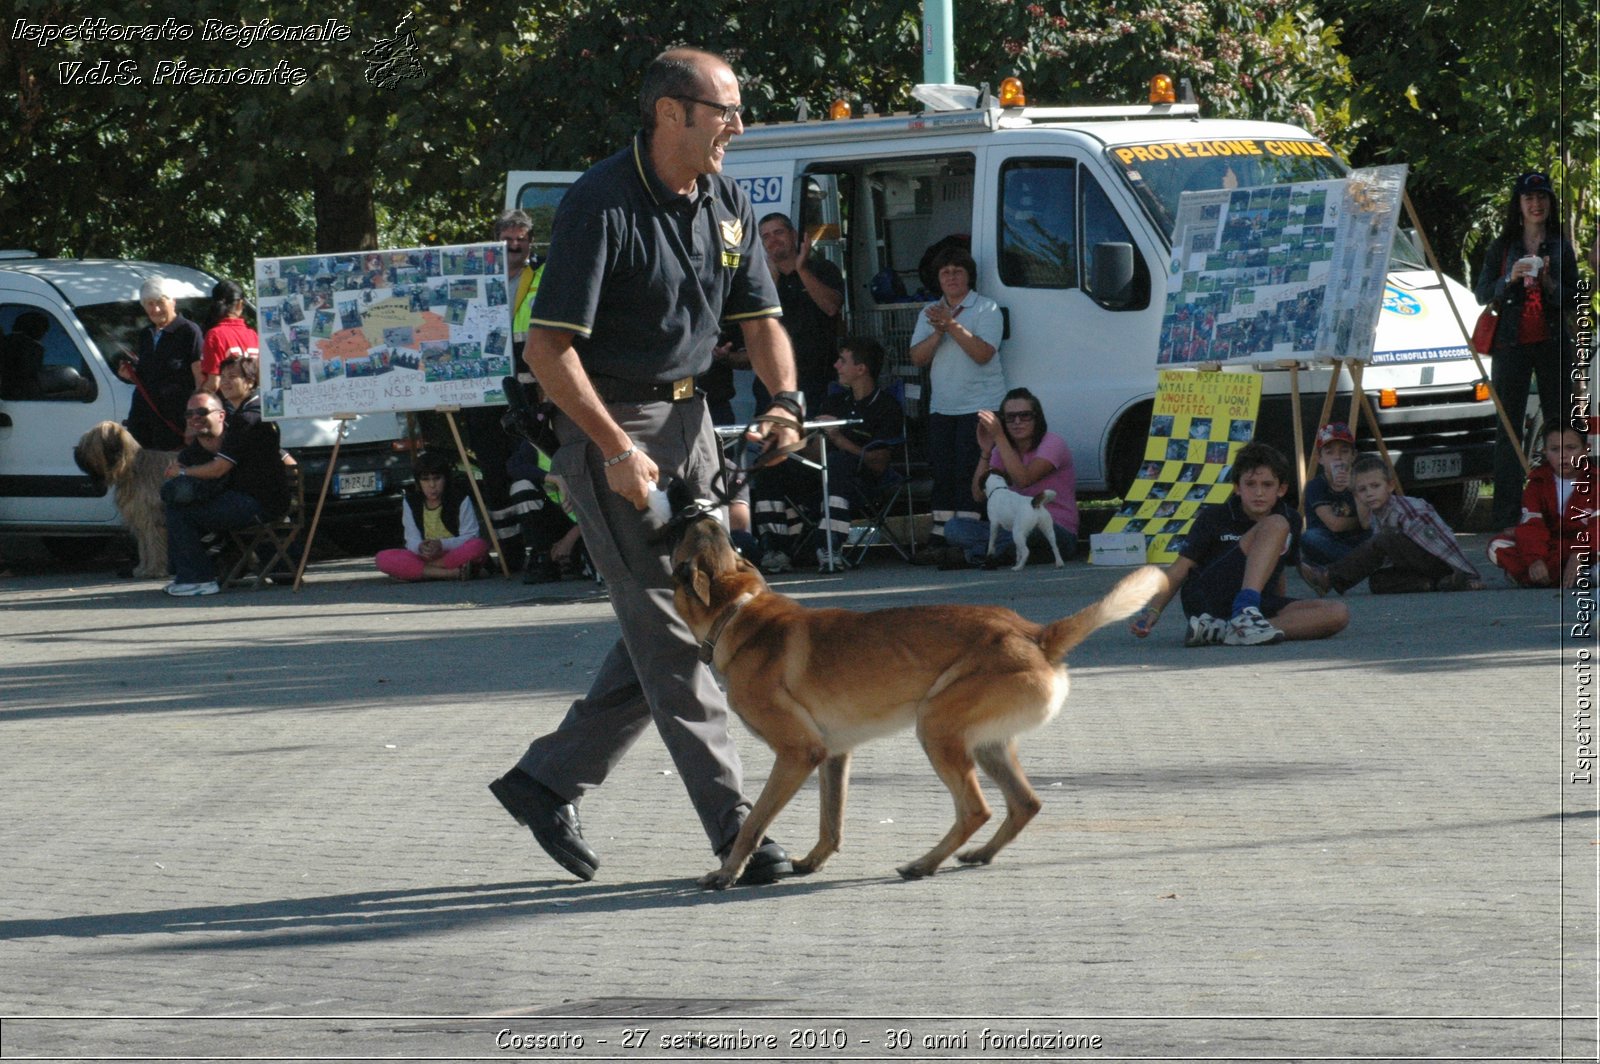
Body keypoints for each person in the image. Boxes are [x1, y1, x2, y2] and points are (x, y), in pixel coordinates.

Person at [488, 47, 804, 887]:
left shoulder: (727, 199)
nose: (737, 127)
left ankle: (545, 780)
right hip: (614, 422)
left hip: (695, 417)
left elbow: (762, 317)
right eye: (724, 111)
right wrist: (617, 451)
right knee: (672, 634)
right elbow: (548, 349)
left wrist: (785, 402)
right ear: (672, 113)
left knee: (690, 619)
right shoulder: (599, 203)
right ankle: (738, 831)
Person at [1130, 441, 1348, 646]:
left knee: (1338, 613)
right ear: (1237, 488)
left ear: (1281, 489)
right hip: (1210, 598)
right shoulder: (1215, 516)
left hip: (1255, 603)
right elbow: (1179, 570)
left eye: (1267, 485)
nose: (1259, 492)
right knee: (1275, 524)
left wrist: (1279, 607)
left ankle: (1228, 630)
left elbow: (1278, 571)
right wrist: (1153, 610)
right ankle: (1245, 613)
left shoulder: (1291, 517)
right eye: (1250, 484)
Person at [1474, 171, 1580, 528]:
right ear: (1518, 205)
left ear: (1550, 203)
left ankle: (1562, 511)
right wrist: (1510, 280)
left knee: (1561, 429)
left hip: (1551, 343)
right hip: (1510, 344)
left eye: (1542, 198)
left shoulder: (1560, 245)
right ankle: (1506, 515)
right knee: (1509, 428)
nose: (1537, 205)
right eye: (1529, 199)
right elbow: (1482, 292)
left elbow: (1574, 298)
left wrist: (1549, 281)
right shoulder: (1503, 246)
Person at [752, 336, 904, 573]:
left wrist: (838, 438)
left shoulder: (886, 406)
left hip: (860, 483)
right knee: (771, 464)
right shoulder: (834, 402)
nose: (836, 366)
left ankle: (829, 546)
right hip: (821, 477)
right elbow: (815, 455)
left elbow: (878, 463)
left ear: (861, 368)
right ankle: (776, 549)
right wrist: (794, 441)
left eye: (842, 361)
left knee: (838, 462)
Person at [907, 244, 1004, 549]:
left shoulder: (987, 308)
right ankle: (941, 536)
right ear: (938, 279)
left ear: (969, 277)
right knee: (943, 472)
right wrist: (937, 332)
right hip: (942, 407)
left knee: (969, 471)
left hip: (980, 405)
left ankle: (968, 536)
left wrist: (951, 325)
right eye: (945, 272)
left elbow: (983, 354)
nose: (951, 277)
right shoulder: (929, 313)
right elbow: (917, 358)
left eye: (957, 271)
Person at [462, 210, 540, 571]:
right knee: (492, 471)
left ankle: (539, 544)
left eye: (520, 238)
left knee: (524, 467)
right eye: (507, 238)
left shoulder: (539, 280)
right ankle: (508, 553)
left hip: (526, 393)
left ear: (530, 242)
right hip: (481, 394)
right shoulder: (473, 282)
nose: (514, 245)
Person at [161, 391, 289, 597]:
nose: (195, 418)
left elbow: (219, 468)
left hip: (259, 503)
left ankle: (198, 579)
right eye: (189, 414)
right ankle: (194, 573)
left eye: (202, 412)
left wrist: (184, 473)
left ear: (221, 415)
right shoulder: (190, 453)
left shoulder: (239, 434)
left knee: (181, 514)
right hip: (232, 504)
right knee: (176, 504)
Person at [1300, 455, 1483, 595]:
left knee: (1386, 538)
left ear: (1390, 486)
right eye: (1362, 490)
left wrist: (1469, 574)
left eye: (1375, 486)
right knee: (1377, 582)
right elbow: (1380, 547)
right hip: (1420, 566)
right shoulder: (1377, 514)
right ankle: (1438, 583)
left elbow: (1440, 543)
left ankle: (1328, 578)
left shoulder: (1406, 510)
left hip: (1438, 559)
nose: (1369, 494)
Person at [941, 387, 1079, 568]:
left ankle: (972, 555)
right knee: (954, 528)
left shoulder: (1053, 443)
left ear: (1037, 418)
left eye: (1025, 415)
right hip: (1014, 527)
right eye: (1010, 417)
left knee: (1027, 535)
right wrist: (985, 452)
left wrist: (999, 436)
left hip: (1054, 527)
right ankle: (989, 554)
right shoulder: (1002, 450)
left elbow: (1023, 480)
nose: (1017, 422)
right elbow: (978, 495)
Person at [1487, 421, 1595, 588]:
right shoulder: (1538, 482)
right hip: (1550, 547)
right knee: (1497, 545)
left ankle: (1533, 578)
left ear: (1585, 449)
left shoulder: (1595, 481)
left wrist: (1579, 552)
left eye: (1571, 448)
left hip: (1585, 548)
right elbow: (1532, 526)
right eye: (1555, 450)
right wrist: (1535, 560)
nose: (1563, 456)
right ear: (1545, 452)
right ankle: (1566, 577)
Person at [757, 212, 846, 412]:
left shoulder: (823, 268)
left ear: (794, 235)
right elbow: (760, 324)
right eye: (766, 236)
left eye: (778, 232)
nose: (773, 240)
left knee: (815, 440)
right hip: (773, 382)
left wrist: (802, 270)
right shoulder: (758, 280)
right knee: (775, 442)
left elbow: (831, 307)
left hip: (818, 379)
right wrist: (772, 279)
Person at [375, 451, 490, 581]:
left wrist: (441, 544)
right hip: (425, 555)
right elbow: (411, 539)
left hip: (454, 553)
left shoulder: (460, 499)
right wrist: (420, 547)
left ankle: (422, 571)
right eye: (425, 480)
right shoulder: (411, 502)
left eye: (437, 478)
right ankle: (452, 573)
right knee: (382, 558)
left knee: (478, 546)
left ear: (445, 479)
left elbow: (471, 535)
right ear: (419, 482)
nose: (432, 485)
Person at [120, 277, 204, 451]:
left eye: (160, 302)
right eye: (149, 304)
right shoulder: (146, 334)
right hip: (143, 421)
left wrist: (192, 423)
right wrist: (131, 375)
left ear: (173, 301)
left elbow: (200, 381)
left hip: (174, 423)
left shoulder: (189, 331)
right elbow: (150, 375)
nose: (155, 309)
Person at [1300, 422, 1371, 566]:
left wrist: (1355, 489)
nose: (1337, 457)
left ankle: (1354, 562)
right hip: (1328, 539)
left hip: (1356, 538)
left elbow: (1368, 522)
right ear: (1319, 459)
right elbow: (1334, 525)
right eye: (1329, 452)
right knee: (1310, 538)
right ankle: (1360, 562)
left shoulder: (1361, 482)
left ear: (1353, 456)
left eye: (1344, 451)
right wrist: (1360, 523)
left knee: (1381, 534)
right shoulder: (1316, 486)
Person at [198, 280, 259, 395]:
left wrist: (197, 400)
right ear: (240, 304)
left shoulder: (215, 335)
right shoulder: (253, 335)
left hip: (229, 403)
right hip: (254, 399)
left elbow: (214, 382)